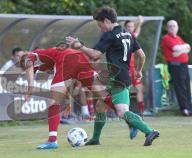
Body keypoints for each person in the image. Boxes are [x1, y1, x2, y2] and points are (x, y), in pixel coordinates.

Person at [66, 6, 159, 146]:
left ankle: (149, 131)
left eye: (100, 24)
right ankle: (96, 139)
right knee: (100, 106)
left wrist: (79, 46)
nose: (101, 28)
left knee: (122, 112)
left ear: (107, 21)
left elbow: (95, 54)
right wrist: (138, 71)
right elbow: (142, 55)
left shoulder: (109, 35)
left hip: (118, 78)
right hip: (118, 76)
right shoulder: (128, 34)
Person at [20, 46, 113, 149]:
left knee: (53, 103)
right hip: (79, 57)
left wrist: (30, 90)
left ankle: (52, 141)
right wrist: (69, 102)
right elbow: (67, 81)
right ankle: (129, 117)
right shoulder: (46, 61)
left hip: (66, 58)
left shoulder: (31, 55)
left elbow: (28, 63)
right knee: (104, 96)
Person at [162, 20, 192, 116]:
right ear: (167, 28)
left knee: (186, 86)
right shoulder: (166, 38)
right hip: (175, 65)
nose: (172, 28)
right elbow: (176, 49)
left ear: (177, 27)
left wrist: (180, 51)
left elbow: (188, 47)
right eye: (170, 26)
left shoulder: (178, 38)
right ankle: (184, 109)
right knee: (180, 87)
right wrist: (182, 49)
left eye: (174, 26)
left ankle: (189, 108)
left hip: (183, 65)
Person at [124, 16, 146, 115]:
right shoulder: (123, 36)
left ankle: (142, 111)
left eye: (132, 26)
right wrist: (140, 22)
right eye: (128, 26)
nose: (130, 28)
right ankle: (124, 111)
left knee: (139, 88)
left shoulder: (132, 36)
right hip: (125, 68)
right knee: (124, 90)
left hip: (133, 69)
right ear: (125, 27)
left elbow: (136, 33)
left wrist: (140, 23)